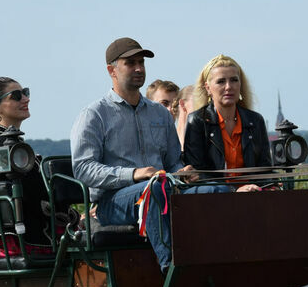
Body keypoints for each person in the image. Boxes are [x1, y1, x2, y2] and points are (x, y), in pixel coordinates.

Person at [70, 37, 229, 272]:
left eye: (141, 63)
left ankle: (223, 263)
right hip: (111, 203)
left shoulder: (160, 114)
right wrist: (134, 174)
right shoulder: (94, 114)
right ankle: (172, 269)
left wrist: (182, 172)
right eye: (131, 63)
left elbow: (173, 161)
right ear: (111, 70)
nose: (139, 69)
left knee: (219, 190)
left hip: (162, 189)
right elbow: (83, 169)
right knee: (155, 190)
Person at [0, 77, 51, 245]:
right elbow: (37, 195)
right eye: (16, 96)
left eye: (25, 93)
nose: (26, 99)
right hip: (27, 238)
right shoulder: (9, 147)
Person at [183, 54, 271, 192]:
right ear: (208, 88)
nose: (229, 87)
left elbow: (265, 168)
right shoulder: (197, 121)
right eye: (221, 81)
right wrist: (234, 190)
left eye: (234, 80)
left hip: (253, 193)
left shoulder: (255, 120)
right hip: (216, 197)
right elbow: (197, 174)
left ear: (240, 85)